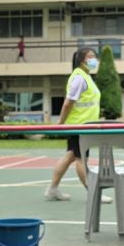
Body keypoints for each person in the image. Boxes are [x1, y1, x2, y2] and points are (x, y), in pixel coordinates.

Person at [44, 48, 105, 203]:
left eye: (95, 56)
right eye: (90, 57)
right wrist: (60, 122)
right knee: (81, 159)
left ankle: (52, 189)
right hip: (80, 126)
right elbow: (68, 103)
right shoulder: (79, 78)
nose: (94, 60)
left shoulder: (86, 77)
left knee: (70, 156)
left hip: (84, 126)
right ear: (81, 60)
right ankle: (93, 193)